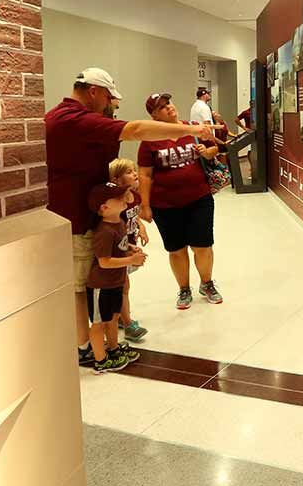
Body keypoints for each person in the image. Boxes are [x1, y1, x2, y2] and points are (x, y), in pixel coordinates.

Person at [45, 67, 213, 367]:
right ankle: (86, 348)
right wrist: (192, 129)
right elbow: (135, 130)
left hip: (92, 215)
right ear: (94, 92)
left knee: (101, 285)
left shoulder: (67, 117)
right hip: (76, 218)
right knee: (82, 288)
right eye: (109, 99)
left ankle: (108, 333)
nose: (111, 106)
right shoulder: (73, 119)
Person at [139, 92, 224, 310]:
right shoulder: (149, 140)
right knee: (176, 249)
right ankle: (184, 288)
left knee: (203, 246)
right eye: (162, 107)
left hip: (199, 199)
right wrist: (145, 205)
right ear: (154, 116)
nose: (169, 108)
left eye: (169, 103)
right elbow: (145, 175)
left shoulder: (193, 127)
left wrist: (206, 152)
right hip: (165, 205)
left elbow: (215, 148)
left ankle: (207, 284)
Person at [85, 182, 144, 374]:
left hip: (115, 282)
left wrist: (130, 248)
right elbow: (104, 261)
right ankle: (100, 359)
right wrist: (131, 259)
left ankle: (113, 348)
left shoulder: (119, 222)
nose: (124, 199)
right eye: (118, 198)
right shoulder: (104, 231)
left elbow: (119, 245)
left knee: (113, 317)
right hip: (101, 285)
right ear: (104, 208)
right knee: (99, 322)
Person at [109, 158, 149, 342]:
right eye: (129, 172)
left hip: (130, 245)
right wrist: (126, 248)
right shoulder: (116, 202)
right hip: (120, 249)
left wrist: (141, 227)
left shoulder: (135, 196)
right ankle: (128, 323)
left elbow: (134, 215)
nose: (134, 174)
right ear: (116, 179)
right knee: (123, 285)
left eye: (134, 170)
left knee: (124, 285)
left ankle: (120, 314)